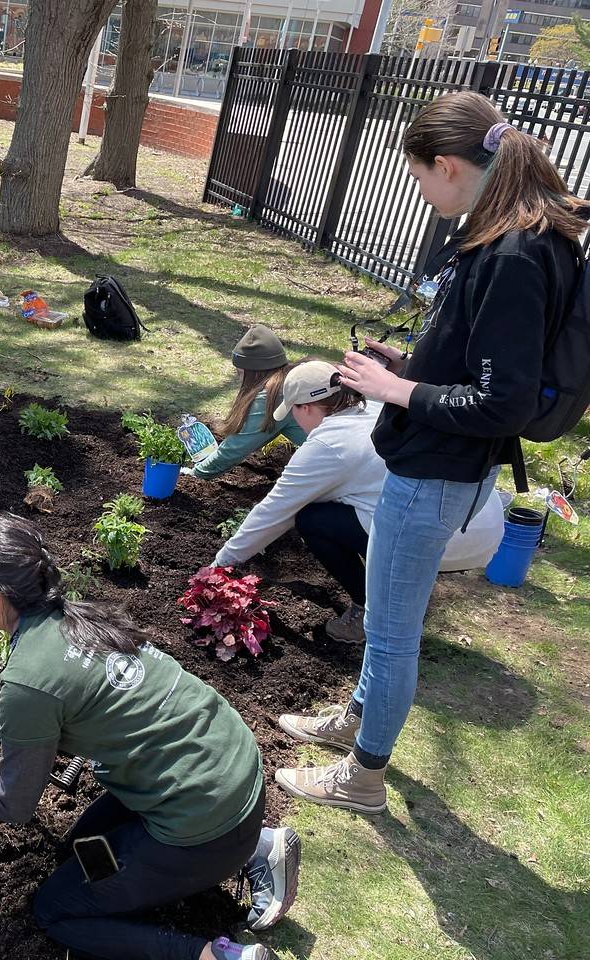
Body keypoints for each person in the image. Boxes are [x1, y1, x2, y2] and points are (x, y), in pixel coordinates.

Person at [276, 91, 587, 814]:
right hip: (431, 465)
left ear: (448, 165)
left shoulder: (513, 251)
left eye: (419, 177)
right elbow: (481, 361)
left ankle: (363, 776)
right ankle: (354, 720)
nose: (422, 192)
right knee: (388, 619)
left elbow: (501, 401)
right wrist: (409, 363)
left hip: (437, 473)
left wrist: (396, 388)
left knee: (389, 634)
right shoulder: (516, 236)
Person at [0, 513, 298, 960]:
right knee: (77, 852)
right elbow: (48, 721)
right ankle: (257, 843)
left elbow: (12, 804)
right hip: (230, 767)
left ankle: (214, 954)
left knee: (57, 910)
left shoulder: (28, 676)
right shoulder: (80, 618)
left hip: (203, 820)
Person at [211, 360, 503, 644]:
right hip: (482, 525)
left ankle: (373, 611)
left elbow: (275, 511)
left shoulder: (327, 445)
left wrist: (221, 564)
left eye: (294, 412)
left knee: (313, 520)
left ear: (306, 407)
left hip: (442, 540)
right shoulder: (375, 407)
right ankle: (406, 592)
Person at [185, 325, 307, 479]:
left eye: (241, 373)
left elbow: (235, 449)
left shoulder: (273, 396)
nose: (239, 379)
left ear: (256, 372)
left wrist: (194, 474)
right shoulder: (295, 379)